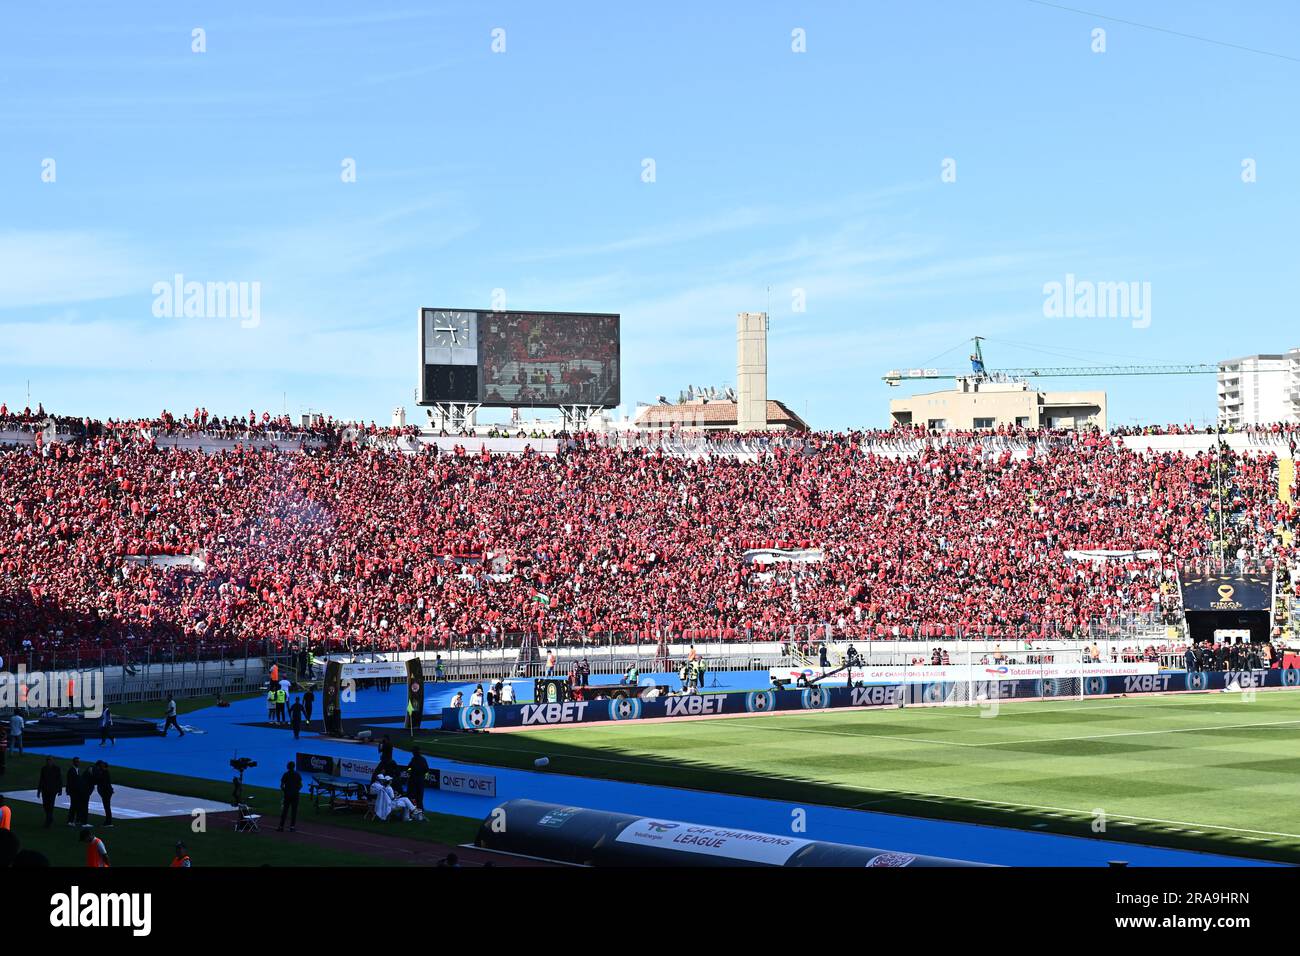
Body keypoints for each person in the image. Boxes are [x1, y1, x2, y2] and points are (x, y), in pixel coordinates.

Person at [37, 756, 62, 828]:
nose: (49, 761)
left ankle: (48, 820)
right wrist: (39, 790)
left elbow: (59, 779)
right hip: (45, 790)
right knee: (45, 805)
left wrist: (59, 790)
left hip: (52, 790)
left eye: (50, 760)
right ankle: (50, 818)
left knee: (50, 805)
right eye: (48, 760)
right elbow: (41, 779)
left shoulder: (57, 769)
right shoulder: (43, 769)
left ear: (52, 761)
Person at [278, 761, 302, 832]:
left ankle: (281, 826)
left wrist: (285, 791)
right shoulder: (297, 774)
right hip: (295, 795)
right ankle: (292, 827)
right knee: (294, 811)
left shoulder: (286, 774)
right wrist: (296, 791)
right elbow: (300, 785)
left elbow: (282, 786)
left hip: (287, 795)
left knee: (285, 811)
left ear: (288, 767)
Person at [66, 757, 88, 827]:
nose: (78, 763)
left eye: (78, 762)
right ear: (74, 762)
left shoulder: (77, 770)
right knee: (73, 806)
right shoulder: (71, 770)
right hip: (74, 791)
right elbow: (70, 782)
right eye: (76, 762)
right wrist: (69, 791)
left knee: (77, 806)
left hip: (77, 791)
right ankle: (70, 820)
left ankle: (76, 820)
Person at [92, 761, 114, 827]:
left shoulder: (104, 773)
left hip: (106, 792)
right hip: (106, 792)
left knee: (107, 807)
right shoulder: (105, 772)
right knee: (107, 807)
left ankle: (108, 822)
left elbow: (101, 781)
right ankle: (108, 821)